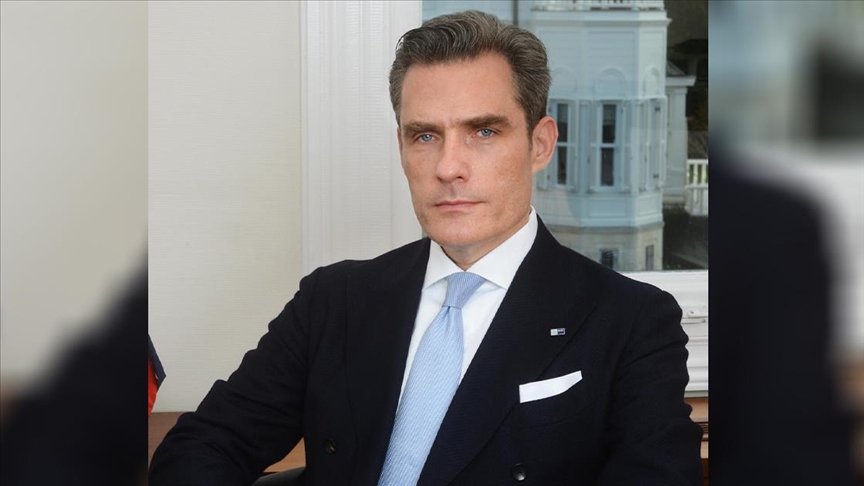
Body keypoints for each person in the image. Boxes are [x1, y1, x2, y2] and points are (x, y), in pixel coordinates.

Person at [149, 11, 702, 485]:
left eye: (484, 132)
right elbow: (201, 448)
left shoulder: (631, 321)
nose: (448, 167)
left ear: (540, 144)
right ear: (401, 146)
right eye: (425, 135)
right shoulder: (333, 300)